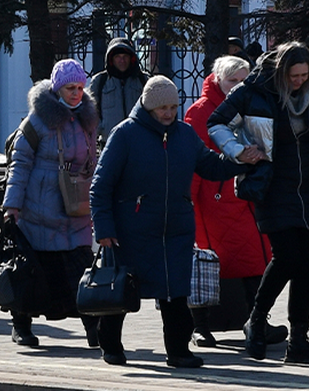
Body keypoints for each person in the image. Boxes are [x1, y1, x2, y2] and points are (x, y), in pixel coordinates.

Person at [207, 42, 309, 365]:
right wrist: (239, 151)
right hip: (272, 186)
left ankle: (299, 340)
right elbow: (216, 123)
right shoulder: (254, 90)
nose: (299, 81)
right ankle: (256, 321)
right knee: (286, 257)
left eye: (304, 75)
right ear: (282, 72)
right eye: (294, 75)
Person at [92, 75, 246, 367]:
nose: (168, 113)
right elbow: (101, 186)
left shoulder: (185, 135)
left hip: (175, 229)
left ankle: (178, 351)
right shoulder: (124, 134)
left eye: (173, 107)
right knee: (122, 290)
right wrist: (103, 228)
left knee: (176, 292)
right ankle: (110, 345)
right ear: (149, 106)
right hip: (131, 230)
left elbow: (210, 165)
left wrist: (240, 159)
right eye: (162, 107)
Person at [184, 55, 283, 348]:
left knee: (254, 261)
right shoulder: (200, 111)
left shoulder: (249, 103)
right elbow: (194, 160)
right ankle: (199, 326)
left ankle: (257, 322)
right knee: (206, 264)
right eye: (232, 80)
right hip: (213, 202)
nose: (237, 86)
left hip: (244, 197)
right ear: (218, 79)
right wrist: (188, 200)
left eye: (243, 79)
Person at [1, 60, 100, 347]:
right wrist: (12, 206)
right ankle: (21, 325)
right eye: (70, 87)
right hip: (39, 209)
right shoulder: (36, 122)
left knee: (80, 270)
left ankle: (94, 327)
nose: (76, 93)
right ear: (57, 88)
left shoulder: (86, 118)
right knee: (33, 271)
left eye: (80, 87)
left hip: (76, 210)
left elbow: (93, 160)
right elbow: (18, 165)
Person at [89, 37, 145, 143]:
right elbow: (91, 110)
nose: (122, 60)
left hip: (138, 141)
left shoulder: (142, 80)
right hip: (109, 141)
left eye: (125, 57)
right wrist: (101, 128)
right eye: (118, 57)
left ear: (131, 58)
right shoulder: (100, 81)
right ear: (111, 59)